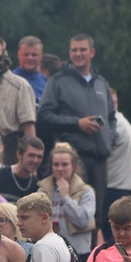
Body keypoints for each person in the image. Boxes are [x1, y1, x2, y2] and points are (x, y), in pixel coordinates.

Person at [37, 35, 114, 224]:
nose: (77, 54)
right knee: (70, 217)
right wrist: (76, 123)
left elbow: (112, 117)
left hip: (99, 158)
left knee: (96, 218)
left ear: (92, 52)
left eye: (82, 49)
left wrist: (108, 138)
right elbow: (44, 116)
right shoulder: (58, 81)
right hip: (72, 160)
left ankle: (93, 254)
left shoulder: (101, 83)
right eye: (74, 50)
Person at [37, 143, 97, 262]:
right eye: (56, 164)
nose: (60, 169)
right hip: (51, 250)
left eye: (64, 164)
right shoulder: (43, 190)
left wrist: (66, 197)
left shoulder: (86, 191)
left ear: (73, 166)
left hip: (79, 253)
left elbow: (83, 221)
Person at [102, 88, 131, 243]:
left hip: (111, 186)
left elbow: (98, 151)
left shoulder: (112, 125)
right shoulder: (123, 122)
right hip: (123, 185)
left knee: (115, 237)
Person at [0, 136, 44, 203]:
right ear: (19, 155)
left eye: (39, 157)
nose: (35, 160)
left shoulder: (37, 186)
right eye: (31, 155)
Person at [13, 36, 47, 101]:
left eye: (34, 55)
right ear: (19, 54)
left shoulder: (47, 84)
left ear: (41, 55)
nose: (30, 58)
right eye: (26, 54)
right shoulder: (9, 81)